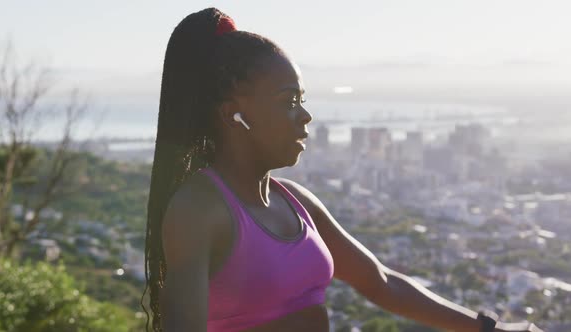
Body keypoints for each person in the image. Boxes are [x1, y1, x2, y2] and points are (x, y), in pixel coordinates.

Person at [142, 7, 544, 332]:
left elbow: (380, 282)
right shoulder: (199, 209)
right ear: (235, 115)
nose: (306, 116)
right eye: (289, 101)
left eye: (302, 99)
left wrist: (488, 329)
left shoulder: (295, 201)